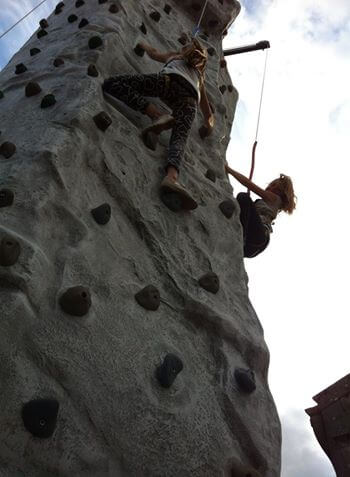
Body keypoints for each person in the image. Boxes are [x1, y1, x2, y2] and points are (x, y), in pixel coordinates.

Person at [102, 39, 214, 210]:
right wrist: (209, 127)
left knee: (112, 83)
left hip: (168, 82)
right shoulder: (199, 77)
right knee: (179, 139)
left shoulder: (174, 56)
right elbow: (208, 114)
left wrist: (142, 44)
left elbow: (153, 51)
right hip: (190, 101)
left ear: (184, 50)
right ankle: (171, 178)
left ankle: (155, 114)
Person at [225, 164, 296, 257]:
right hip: (255, 245)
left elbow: (248, 184)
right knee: (243, 202)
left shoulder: (275, 198)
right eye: (271, 184)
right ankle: (240, 240)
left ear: (280, 192)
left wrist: (230, 170)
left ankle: (240, 237)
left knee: (243, 197)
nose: (270, 187)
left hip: (258, 235)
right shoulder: (269, 204)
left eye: (275, 187)